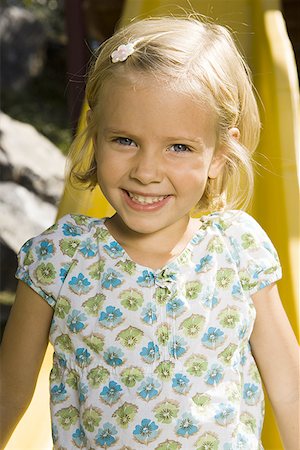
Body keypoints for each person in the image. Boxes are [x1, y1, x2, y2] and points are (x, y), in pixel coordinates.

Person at [0, 15, 298, 450]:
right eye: (124, 140)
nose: (146, 171)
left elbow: (289, 390)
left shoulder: (238, 249)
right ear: (95, 133)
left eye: (179, 147)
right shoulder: (60, 258)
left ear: (219, 155)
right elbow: (9, 390)